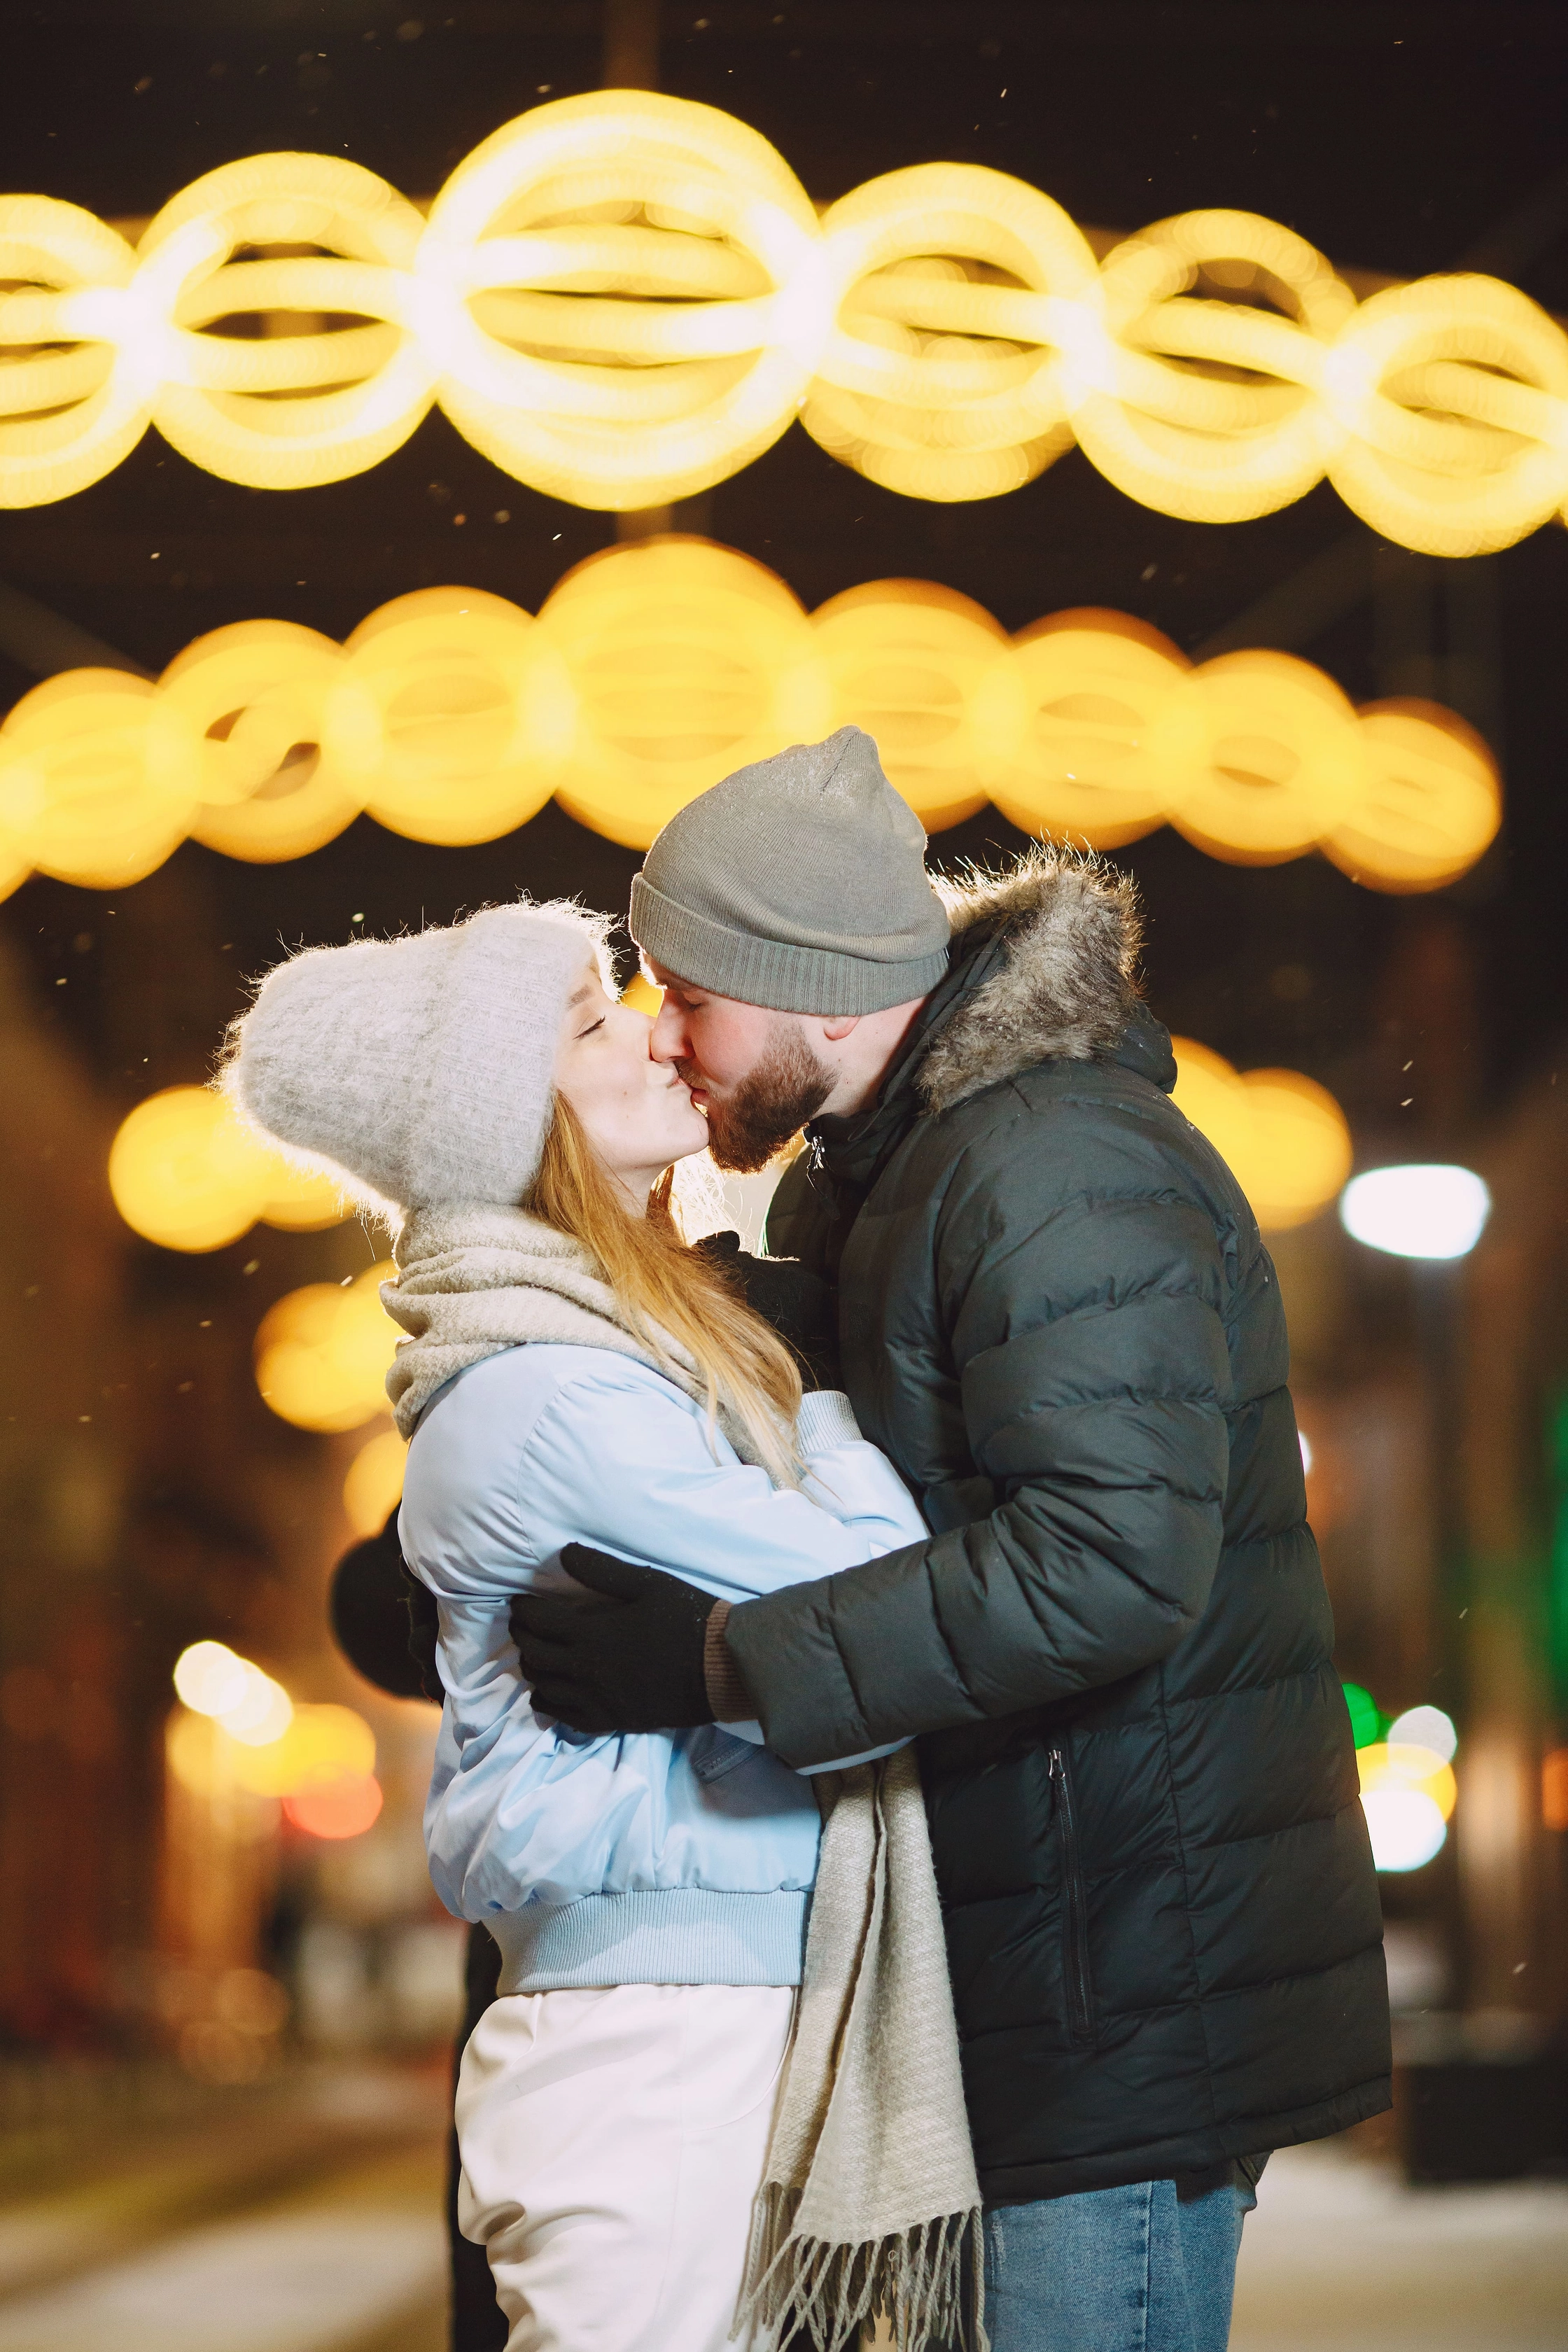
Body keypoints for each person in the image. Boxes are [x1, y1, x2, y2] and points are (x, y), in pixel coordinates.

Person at [509, 726, 1394, 2352]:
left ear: (823, 998)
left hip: (1112, 1979)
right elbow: (910, 1392)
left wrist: (718, 1666)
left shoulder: (1047, 1162)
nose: (666, 1035)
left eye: (691, 992)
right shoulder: (911, 1167)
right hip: (1043, 1957)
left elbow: (1104, 1563)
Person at [223, 900, 972, 2352]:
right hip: (651, 2031)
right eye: (590, 1023)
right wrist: (815, 1391)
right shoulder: (550, 1398)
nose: (650, 1034)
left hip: (704, 1999)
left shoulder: (621, 1356)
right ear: (510, 1130)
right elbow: (878, 1585)